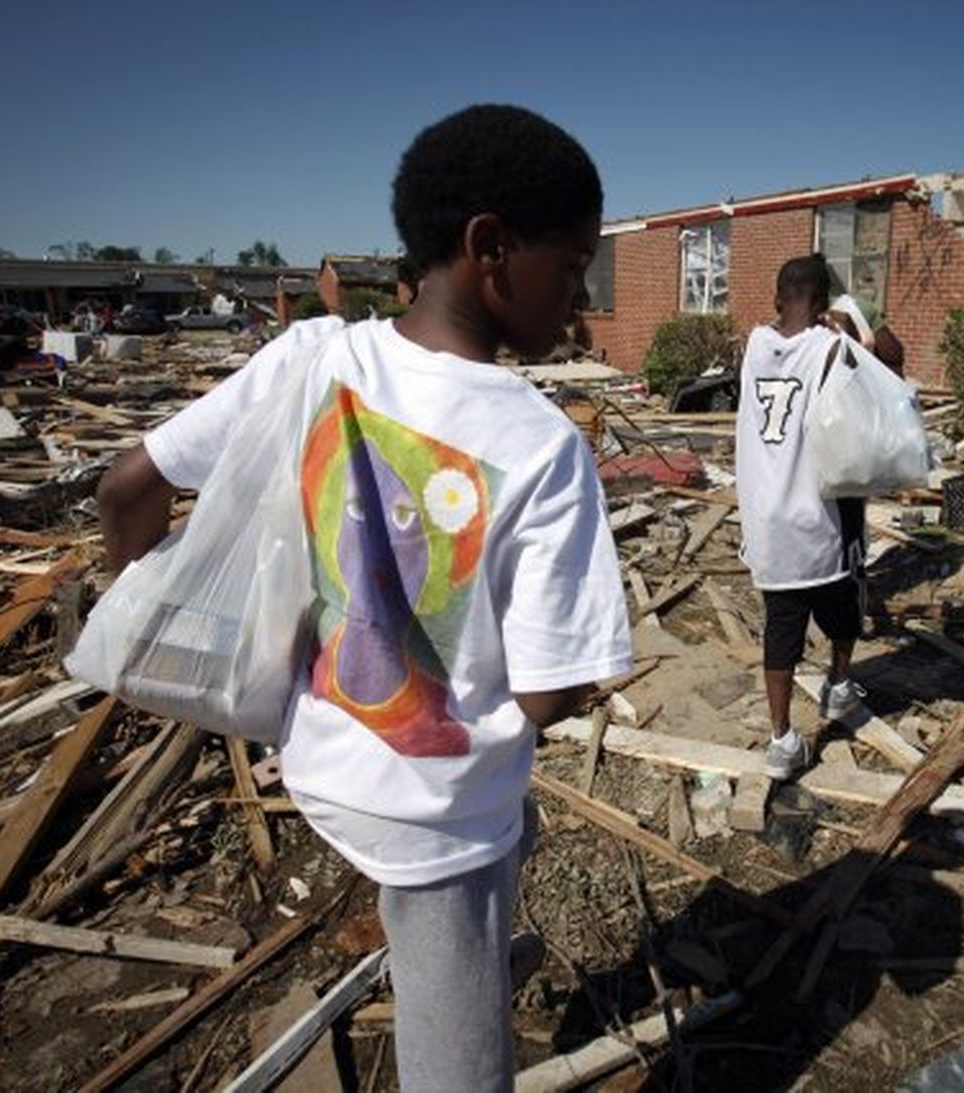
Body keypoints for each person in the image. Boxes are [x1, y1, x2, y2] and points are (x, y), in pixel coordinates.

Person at [95, 104, 632, 1092]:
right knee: (458, 1058)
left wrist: (134, 608)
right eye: (572, 265)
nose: (580, 296)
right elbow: (552, 692)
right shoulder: (542, 445)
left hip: (316, 755)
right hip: (440, 818)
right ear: (490, 249)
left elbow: (128, 486)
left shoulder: (312, 359)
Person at [735, 255, 867, 779]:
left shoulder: (753, 345)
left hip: (768, 524)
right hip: (823, 519)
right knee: (842, 609)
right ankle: (837, 687)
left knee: (780, 629)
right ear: (821, 303)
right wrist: (849, 325)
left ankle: (782, 739)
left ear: (776, 298)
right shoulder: (831, 346)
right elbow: (881, 357)